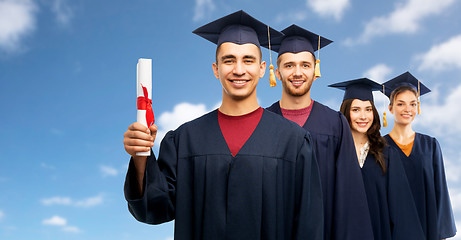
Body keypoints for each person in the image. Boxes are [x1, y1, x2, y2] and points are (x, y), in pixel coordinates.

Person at [123, 10, 324, 240]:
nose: (239, 70)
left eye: (248, 60)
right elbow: (154, 208)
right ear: (216, 69)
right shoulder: (185, 140)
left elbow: (309, 226)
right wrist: (141, 154)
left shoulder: (294, 142)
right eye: (229, 60)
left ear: (261, 68)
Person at [265, 24, 373, 239]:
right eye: (289, 66)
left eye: (305, 65)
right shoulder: (262, 123)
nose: (297, 72)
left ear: (315, 71)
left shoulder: (335, 124)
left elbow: (349, 194)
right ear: (277, 73)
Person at [330, 78, 426, 240]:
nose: (363, 116)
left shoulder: (387, 154)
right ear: (346, 112)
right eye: (356, 110)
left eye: (368, 109)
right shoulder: (333, 153)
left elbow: (402, 209)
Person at [383, 71, 457, 240]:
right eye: (400, 104)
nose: (407, 109)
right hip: (391, 231)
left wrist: (442, 234)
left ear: (418, 107)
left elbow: (441, 192)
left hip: (428, 230)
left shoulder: (430, 145)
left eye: (413, 104)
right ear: (390, 108)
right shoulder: (378, 147)